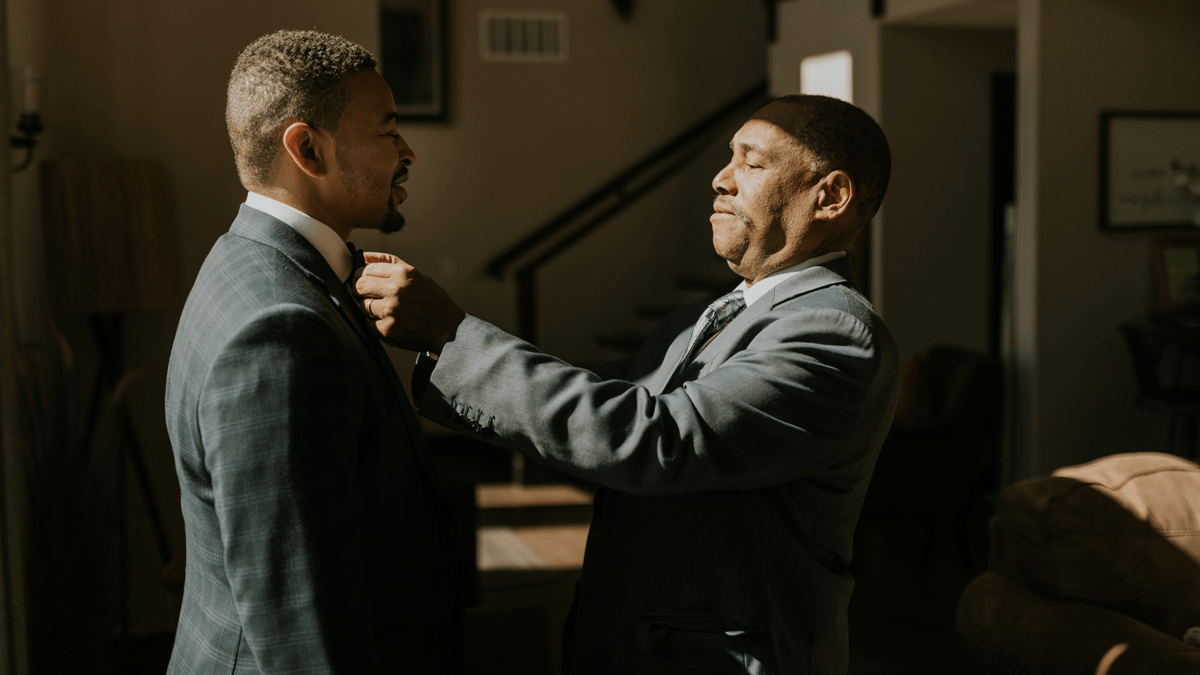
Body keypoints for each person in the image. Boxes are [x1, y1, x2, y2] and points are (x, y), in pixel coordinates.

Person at [357, 94, 899, 674]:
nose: (720, 179)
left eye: (752, 162)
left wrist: (452, 333)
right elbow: (587, 417)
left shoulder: (833, 329)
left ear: (831, 196)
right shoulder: (697, 319)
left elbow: (654, 440)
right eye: (727, 158)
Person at [164, 30, 463, 674]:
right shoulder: (278, 331)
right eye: (387, 131)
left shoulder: (240, 260)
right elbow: (296, 623)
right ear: (306, 147)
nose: (407, 151)